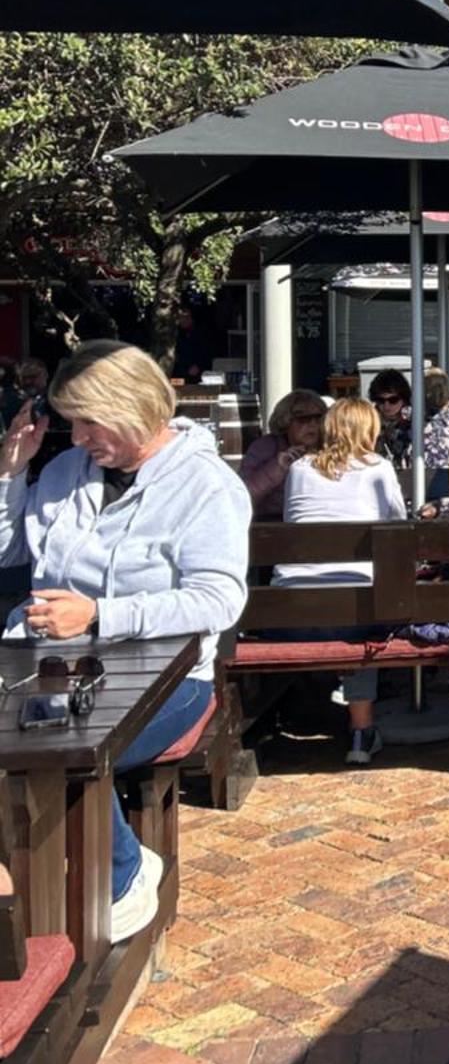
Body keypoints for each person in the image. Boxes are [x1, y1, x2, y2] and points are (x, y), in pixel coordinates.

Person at [0, 341, 250, 944]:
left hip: (168, 674)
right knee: (33, 738)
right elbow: (8, 554)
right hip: (47, 663)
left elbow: (218, 599)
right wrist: (10, 473)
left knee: (61, 747)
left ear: (132, 406)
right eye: (70, 423)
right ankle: (21, 895)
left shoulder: (206, 485)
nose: (78, 436)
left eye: (89, 421)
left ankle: (122, 873)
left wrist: (99, 616)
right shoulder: (62, 474)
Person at [271, 397, 407, 767]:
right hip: (356, 612)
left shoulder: (299, 469)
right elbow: (399, 531)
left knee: (350, 603)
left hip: (289, 614)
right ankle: (361, 730)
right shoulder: (378, 468)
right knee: (367, 612)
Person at [238, 389, 326, 521]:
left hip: (319, 523)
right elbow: (241, 499)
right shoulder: (264, 447)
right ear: (285, 422)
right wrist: (277, 467)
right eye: (304, 419)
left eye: (318, 418)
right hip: (269, 524)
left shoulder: (330, 448)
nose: (313, 424)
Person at [370, 370, 412, 469]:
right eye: (381, 400)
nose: (386, 405)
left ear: (404, 399)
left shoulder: (413, 422)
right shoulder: (369, 422)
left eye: (393, 400)